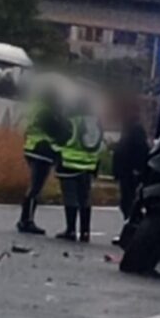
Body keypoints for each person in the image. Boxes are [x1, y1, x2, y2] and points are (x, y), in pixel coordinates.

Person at [17, 89, 69, 235]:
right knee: (35, 188)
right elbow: (57, 131)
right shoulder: (47, 112)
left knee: (34, 186)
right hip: (42, 151)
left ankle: (25, 219)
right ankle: (27, 221)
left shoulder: (35, 108)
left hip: (32, 147)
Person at [55, 98, 104, 243]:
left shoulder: (72, 122)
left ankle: (70, 230)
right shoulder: (97, 123)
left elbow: (62, 140)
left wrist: (56, 152)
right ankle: (85, 232)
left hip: (70, 164)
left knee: (71, 198)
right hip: (89, 166)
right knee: (85, 199)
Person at [112, 106, 149, 221]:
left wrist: (138, 169)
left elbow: (140, 150)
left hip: (131, 171)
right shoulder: (128, 128)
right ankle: (131, 222)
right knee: (127, 201)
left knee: (130, 201)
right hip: (125, 171)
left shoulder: (136, 129)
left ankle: (133, 224)